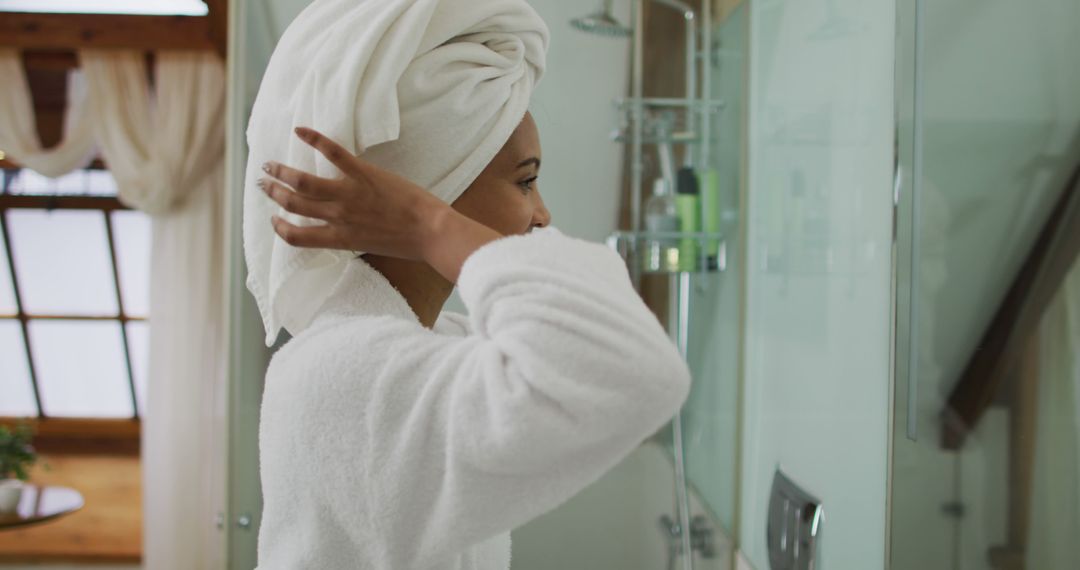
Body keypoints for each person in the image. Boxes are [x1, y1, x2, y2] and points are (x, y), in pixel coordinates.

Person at [244, 2, 690, 569]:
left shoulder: (433, 344)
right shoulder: (342, 373)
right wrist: (429, 224)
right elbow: (635, 371)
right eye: (525, 181)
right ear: (433, 184)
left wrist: (430, 223)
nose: (543, 214)